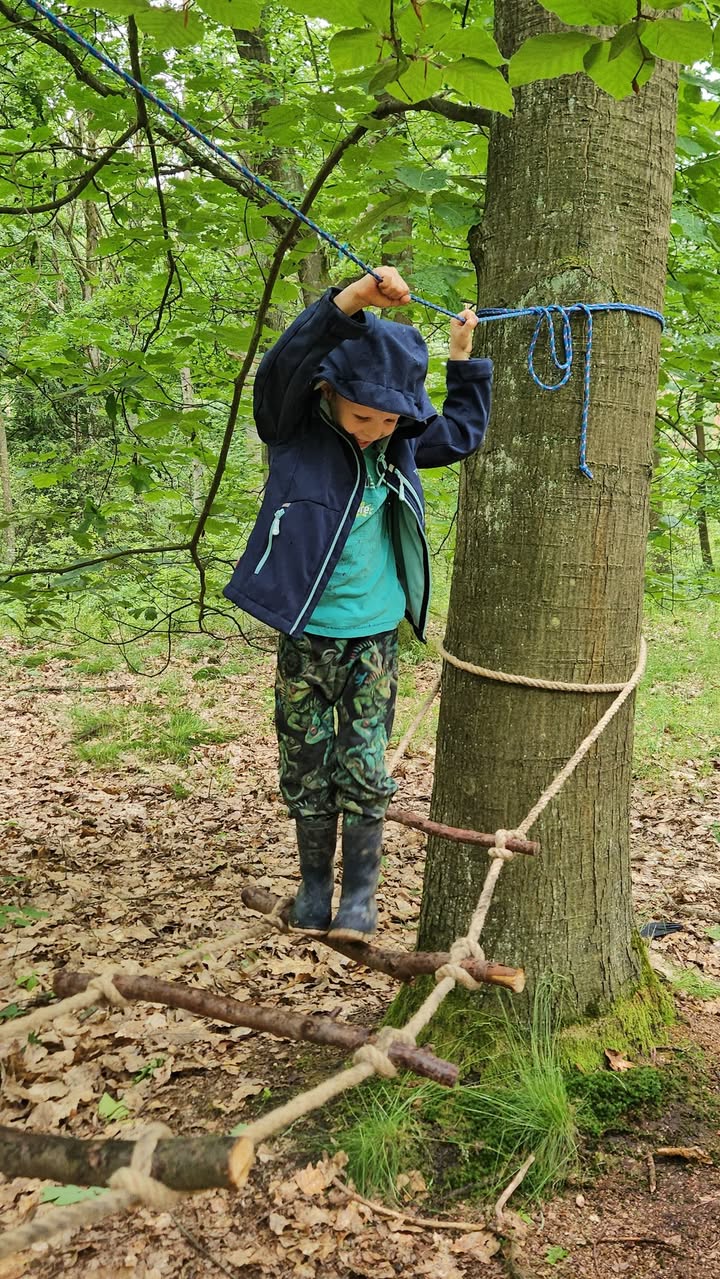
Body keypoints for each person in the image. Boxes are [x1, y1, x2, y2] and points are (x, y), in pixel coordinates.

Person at [224, 268, 492, 943]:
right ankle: (314, 889)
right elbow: (280, 370)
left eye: (389, 418)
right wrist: (351, 301)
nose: (375, 430)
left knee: (365, 765)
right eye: (363, 416)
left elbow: (462, 432)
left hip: (373, 638)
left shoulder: (401, 441)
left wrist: (463, 357)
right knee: (305, 764)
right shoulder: (294, 430)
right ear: (329, 393)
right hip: (307, 635)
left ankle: (360, 898)